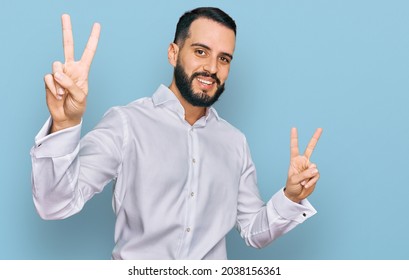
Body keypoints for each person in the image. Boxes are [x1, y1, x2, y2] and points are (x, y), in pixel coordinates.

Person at [31, 7, 323, 259]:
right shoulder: (126, 123)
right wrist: (65, 124)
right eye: (200, 52)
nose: (211, 68)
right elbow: (54, 204)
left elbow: (252, 231)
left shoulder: (235, 142)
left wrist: (290, 197)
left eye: (224, 59)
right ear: (173, 53)